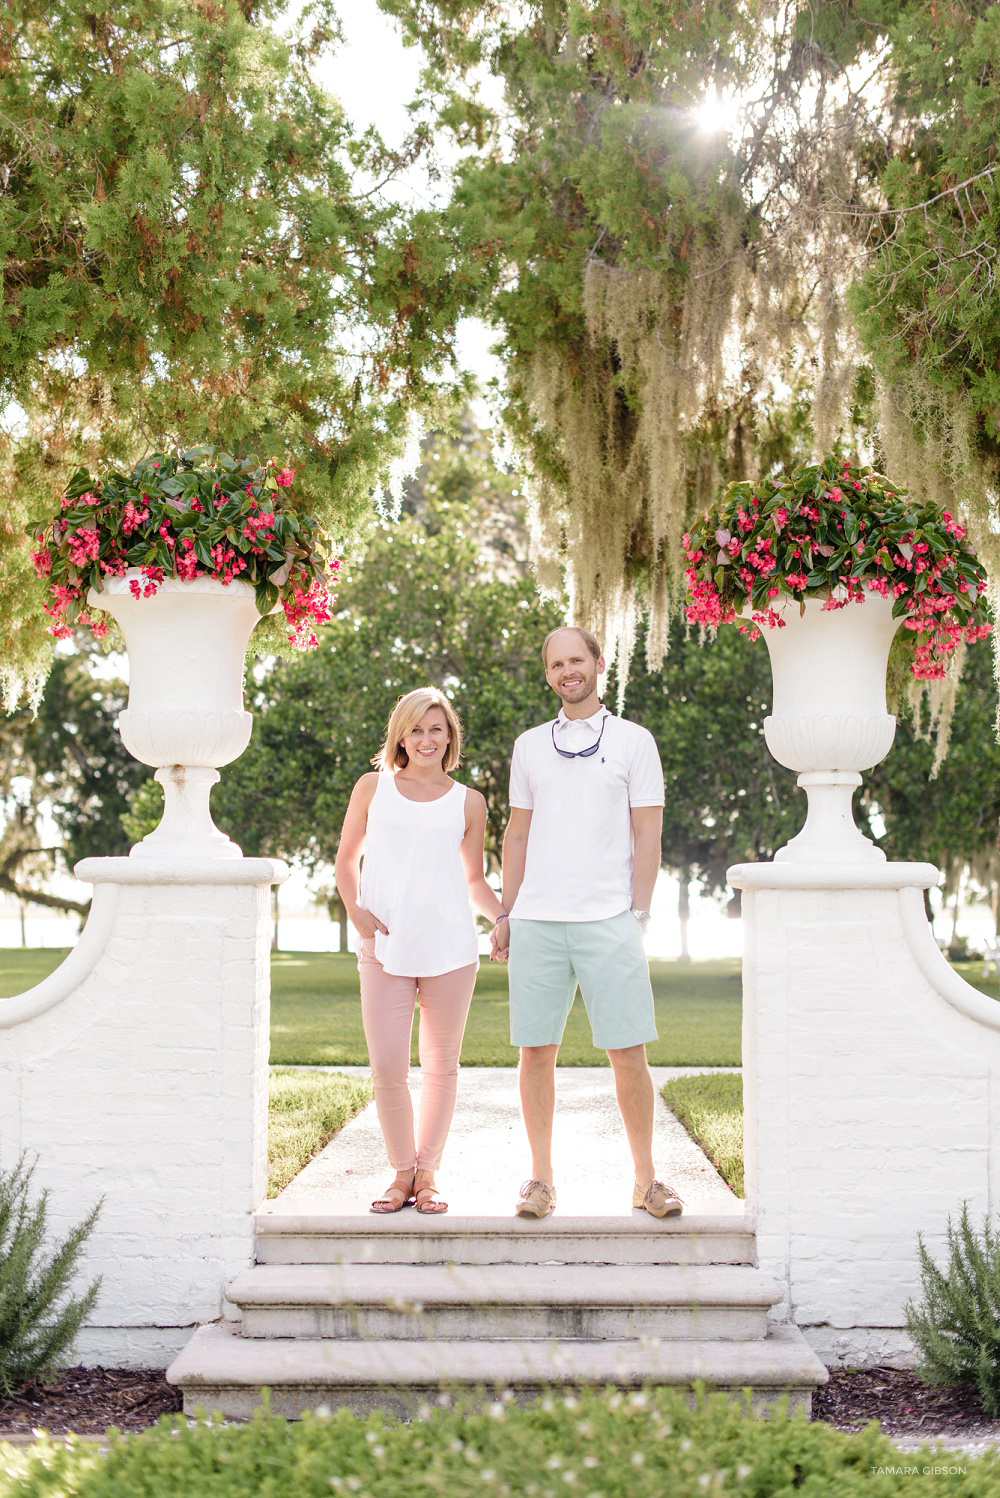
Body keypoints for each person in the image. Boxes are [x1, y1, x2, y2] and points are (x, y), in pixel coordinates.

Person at [491, 626, 683, 1221]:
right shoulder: (528, 745)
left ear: (598, 664)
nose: (566, 671)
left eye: (576, 659)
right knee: (536, 1053)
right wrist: (507, 910)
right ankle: (541, 1181)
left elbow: (647, 830)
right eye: (555, 664)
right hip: (538, 921)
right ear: (548, 674)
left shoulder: (634, 741)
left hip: (610, 920)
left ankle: (647, 1181)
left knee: (629, 1053)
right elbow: (517, 833)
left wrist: (639, 911)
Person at [336, 687, 505, 1215]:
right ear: (401, 736)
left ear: (450, 735)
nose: (426, 739)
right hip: (383, 944)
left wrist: (502, 918)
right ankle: (400, 1171)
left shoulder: (469, 801)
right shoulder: (372, 788)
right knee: (387, 1067)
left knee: (441, 1068)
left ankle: (428, 1175)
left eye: (437, 729)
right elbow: (345, 861)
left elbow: (473, 879)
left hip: (452, 948)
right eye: (416, 729)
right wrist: (355, 911)